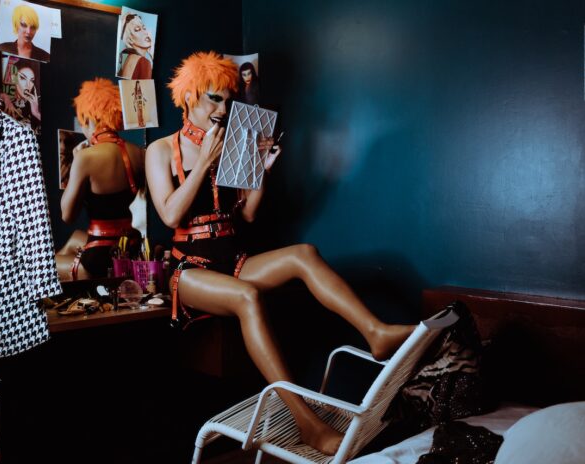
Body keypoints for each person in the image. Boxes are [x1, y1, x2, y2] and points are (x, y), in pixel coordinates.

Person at [145, 51, 415, 456]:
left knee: (303, 253)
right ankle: (307, 424)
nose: (221, 108)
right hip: (190, 270)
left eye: (226, 100)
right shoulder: (162, 150)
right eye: (212, 99)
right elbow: (169, 214)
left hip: (232, 260)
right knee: (248, 297)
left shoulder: (230, 146)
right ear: (188, 98)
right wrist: (204, 164)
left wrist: (261, 170)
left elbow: (249, 215)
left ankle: (375, 333)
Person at [56, 78, 144, 280]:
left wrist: (77, 162)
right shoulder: (138, 153)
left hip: (99, 260)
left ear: (87, 118)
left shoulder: (85, 157)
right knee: (74, 239)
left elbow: (67, 215)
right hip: (128, 248)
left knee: (42, 266)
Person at [2, 59, 41, 132]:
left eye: (32, 80)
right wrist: (4, 97)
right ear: (14, 78)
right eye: (23, 78)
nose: (28, 85)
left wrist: (36, 112)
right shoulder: (9, 99)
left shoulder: (38, 102)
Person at [116, 13, 153, 80]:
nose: (145, 32)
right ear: (130, 40)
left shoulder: (129, 58)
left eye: (144, 28)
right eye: (137, 29)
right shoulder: (144, 62)